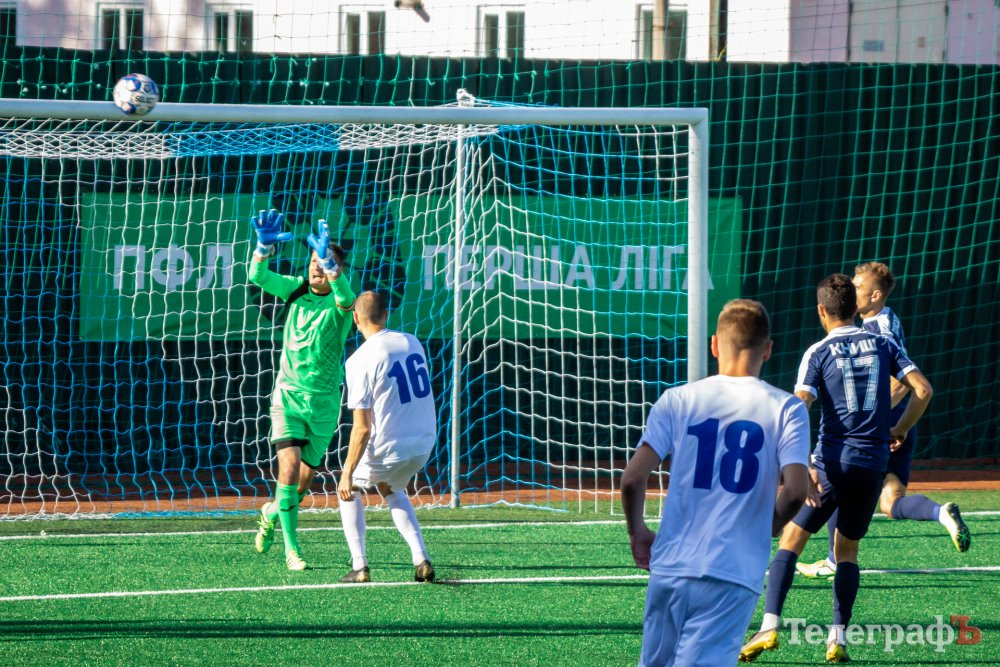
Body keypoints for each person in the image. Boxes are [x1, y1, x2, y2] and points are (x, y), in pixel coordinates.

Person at [740, 274, 933, 663]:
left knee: (791, 539)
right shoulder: (884, 344)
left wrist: (800, 465)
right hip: (872, 463)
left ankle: (769, 627)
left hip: (831, 462)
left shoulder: (818, 351)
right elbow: (923, 390)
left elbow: (798, 408)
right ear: (853, 308)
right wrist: (899, 428)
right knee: (847, 551)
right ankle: (837, 639)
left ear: (821, 311)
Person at [621, 299, 812, 667]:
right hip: (733, 572)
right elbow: (797, 490)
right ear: (768, 349)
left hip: (671, 567)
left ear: (714, 345)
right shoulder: (788, 408)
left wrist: (637, 531)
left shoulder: (676, 400)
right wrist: (770, 524)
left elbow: (632, 479)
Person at [797, 262, 969, 580]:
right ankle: (940, 512)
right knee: (891, 502)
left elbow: (905, 384)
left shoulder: (878, 329)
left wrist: (867, 413)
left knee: (840, 479)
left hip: (880, 427)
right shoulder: (883, 321)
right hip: (897, 424)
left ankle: (834, 559)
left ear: (875, 295)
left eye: (856, 287)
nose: (851, 292)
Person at [249, 210, 356, 571]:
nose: (315, 268)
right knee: (289, 470)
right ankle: (292, 551)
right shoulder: (295, 288)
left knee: (301, 486)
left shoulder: (341, 305)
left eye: (321, 263)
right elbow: (257, 276)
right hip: (288, 398)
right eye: (313, 261)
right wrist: (263, 248)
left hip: (324, 405)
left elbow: (346, 295)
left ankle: (270, 512)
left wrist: (331, 266)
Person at [337, 291, 437, 584]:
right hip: (425, 443)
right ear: (386, 314)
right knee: (391, 487)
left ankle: (359, 566)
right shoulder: (412, 341)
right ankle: (421, 559)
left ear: (356, 318)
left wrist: (346, 473)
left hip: (391, 446)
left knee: (349, 488)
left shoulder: (359, 360)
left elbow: (362, 428)